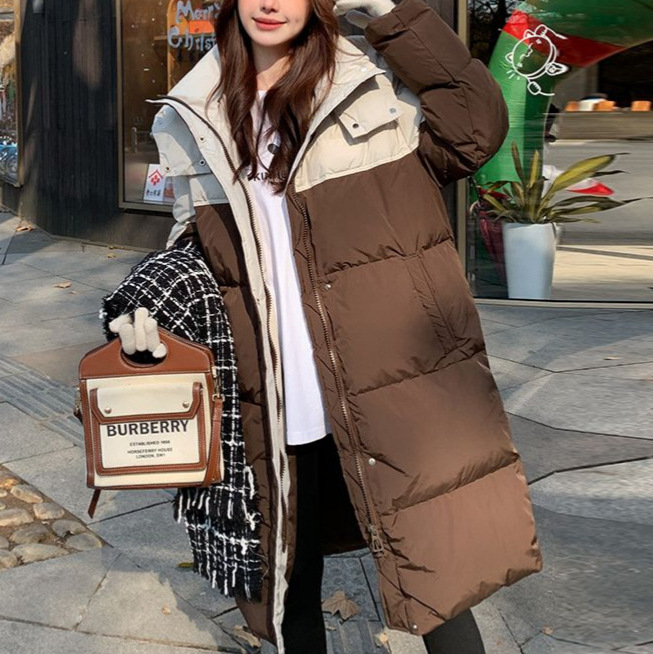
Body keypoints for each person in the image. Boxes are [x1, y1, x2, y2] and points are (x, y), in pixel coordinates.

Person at [112, 0, 543, 651]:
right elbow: (193, 243)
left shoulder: (367, 73)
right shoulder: (192, 107)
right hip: (273, 395)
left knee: (441, 584)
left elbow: (474, 131)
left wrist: (391, 13)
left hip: (389, 381)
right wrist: (152, 312)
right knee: (289, 588)